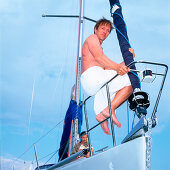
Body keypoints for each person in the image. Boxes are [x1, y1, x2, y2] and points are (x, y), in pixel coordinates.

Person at [81, 18, 134, 135]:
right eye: (102, 28)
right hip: (92, 76)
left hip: (93, 82)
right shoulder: (92, 38)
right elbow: (100, 57)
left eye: (108, 30)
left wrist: (129, 60)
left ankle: (102, 115)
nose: (105, 32)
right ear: (95, 29)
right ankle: (110, 109)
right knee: (132, 81)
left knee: (112, 84)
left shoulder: (97, 48)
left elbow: (107, 69)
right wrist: (118, 68)